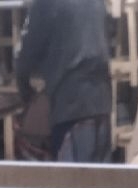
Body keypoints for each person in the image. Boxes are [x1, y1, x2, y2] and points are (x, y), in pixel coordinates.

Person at [16, 0, 113, 163]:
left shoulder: (45, 4)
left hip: (71, 104)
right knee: (101, 176)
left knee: (71, 177)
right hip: (102, 101)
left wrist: (25, 91)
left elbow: (28, 51)